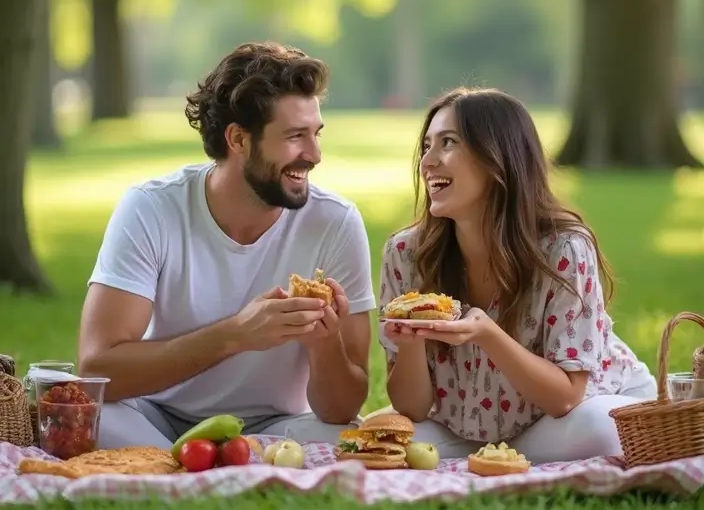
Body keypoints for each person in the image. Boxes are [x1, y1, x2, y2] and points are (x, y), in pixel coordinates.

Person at [77, 42, 376, 450]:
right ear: (238, 138)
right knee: (91, 414)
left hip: (277, 426)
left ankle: (182, 469)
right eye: (294, 136)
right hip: (154, 417)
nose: (315, 155)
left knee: (350, 436)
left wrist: (325, 345)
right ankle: (194, 464)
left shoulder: (335, 223)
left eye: (315, 134)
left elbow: (341, 408)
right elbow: (96, 370)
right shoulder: (152, 208)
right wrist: (235, 335)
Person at [378, 87, 657, 463]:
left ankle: (494, 456)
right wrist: (410, 340)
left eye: (447, 143)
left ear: (497, 159)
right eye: (426, 145)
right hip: (468, 426)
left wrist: (487, 334)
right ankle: (495, 456)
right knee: (387, 434)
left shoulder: (563, 250)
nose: (427, 161)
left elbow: (566, 396)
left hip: (572, 413)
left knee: (601, 429)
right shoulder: (406, 254)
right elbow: (412, 407)